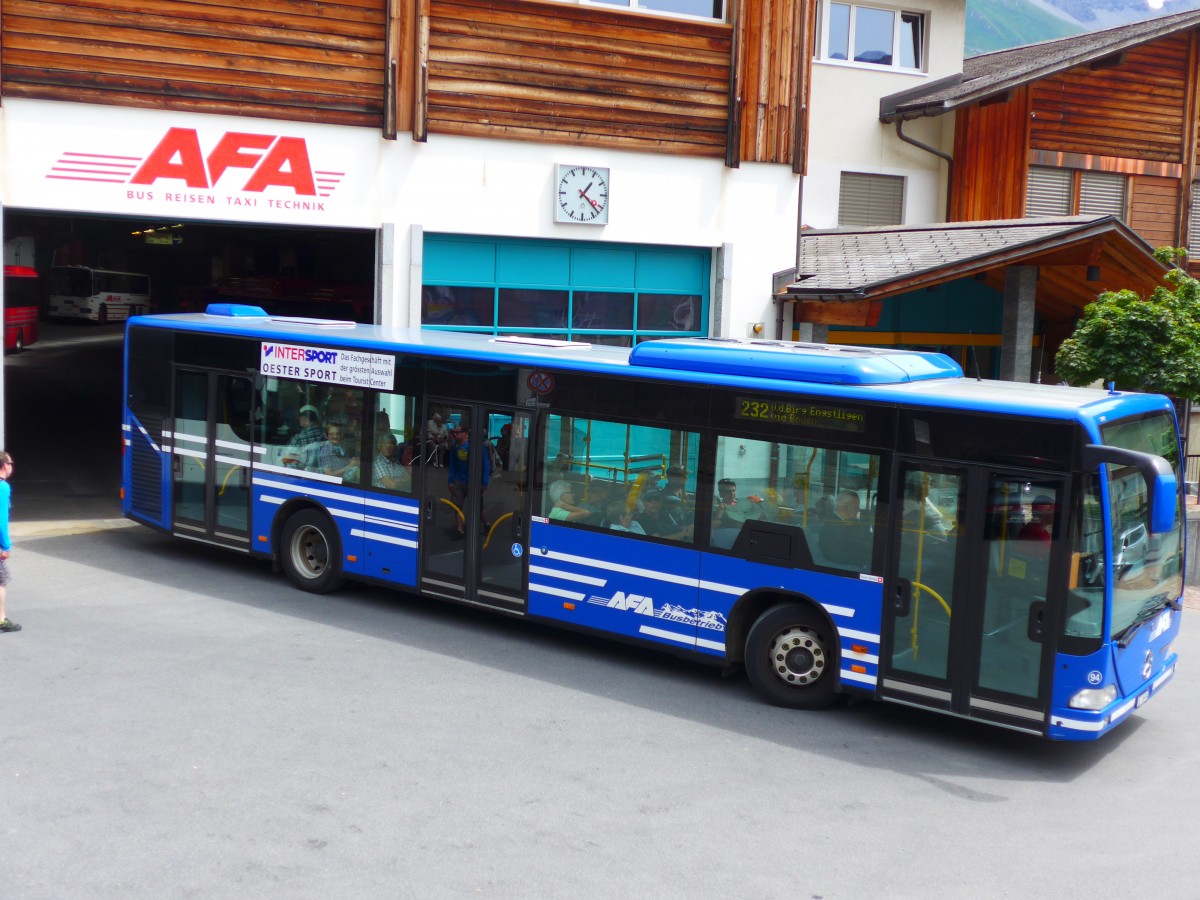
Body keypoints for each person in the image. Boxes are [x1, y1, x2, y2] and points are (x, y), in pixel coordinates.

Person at [447, 426, 491, 535]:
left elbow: (485, 465)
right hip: (459, 481)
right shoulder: (455, 447)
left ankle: (486, 524)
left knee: (478, 507)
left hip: (474, 482)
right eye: (454, 432)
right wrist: (450, 481)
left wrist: (484, 482)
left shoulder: (477, 446)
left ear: (465, 433)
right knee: (458, 506)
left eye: (457, 432)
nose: (455, 435)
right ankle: (459, 530)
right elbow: (452, 465)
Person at [819, 489, 873, 566]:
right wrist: (869, 558)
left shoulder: (842, 522)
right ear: (845, 508)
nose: (859, 510)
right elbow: (840, 554)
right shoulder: (833, 527)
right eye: (856, 506)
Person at [0, 452, 19, 633]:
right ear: (5, 466)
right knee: (1, 580)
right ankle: (1, 620)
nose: (12, 466)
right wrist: (5, 546)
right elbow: (1, 519)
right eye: (10, 463)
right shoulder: (3, 487)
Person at [282, 404, 324, 468]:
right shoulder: (326, 435)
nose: (298, 419)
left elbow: (286, 460)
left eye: (300, 417)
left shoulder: (299, 438)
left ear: (306, 419)